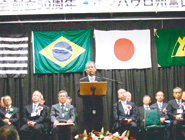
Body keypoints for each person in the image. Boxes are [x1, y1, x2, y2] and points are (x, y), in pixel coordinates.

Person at [79, 61, 106, 132]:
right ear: (86, 70)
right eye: (88, 68)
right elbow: (79, 93)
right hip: (87, 106)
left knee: (98, 124)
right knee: (88, 125)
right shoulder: (82, 80)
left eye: (92, 67)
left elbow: (104, 92)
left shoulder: (100, 79)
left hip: (98, 105)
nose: (90, 69)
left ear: (95, 69)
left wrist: (98, 87)